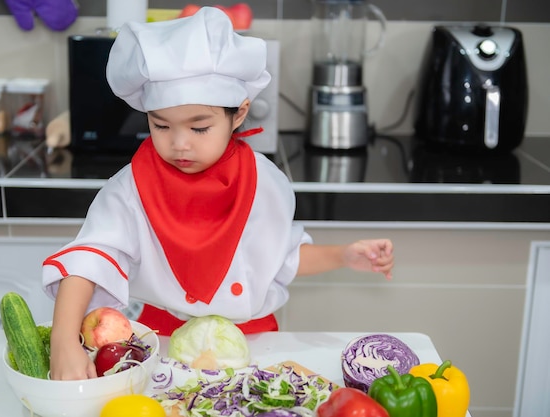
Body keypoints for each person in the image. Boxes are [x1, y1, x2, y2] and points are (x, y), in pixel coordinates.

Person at [42, 7, 394, 381]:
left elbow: (281, 257)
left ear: (238, 115)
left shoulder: (263, 181)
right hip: (161, 340)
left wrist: (344, 255)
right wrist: (63, 340)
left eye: (199, 128)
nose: (179, 144)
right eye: (161, 125)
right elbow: (88, 260)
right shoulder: (130, 187)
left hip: (255, 341)